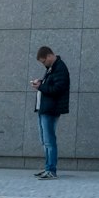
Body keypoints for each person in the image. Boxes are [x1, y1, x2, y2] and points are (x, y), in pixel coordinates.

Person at [30, 45, 70, 179]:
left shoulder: (60, 68)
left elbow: (57, 89)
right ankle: (48, 168)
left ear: (49, 56)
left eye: (43, 61)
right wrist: (42, 82)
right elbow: (52, 85)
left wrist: (41, 86)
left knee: (49, 141)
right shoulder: (52, 68)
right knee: (45, 140)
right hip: (45, 109)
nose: (43, 64)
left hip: (51, 110)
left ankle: (51, 170)